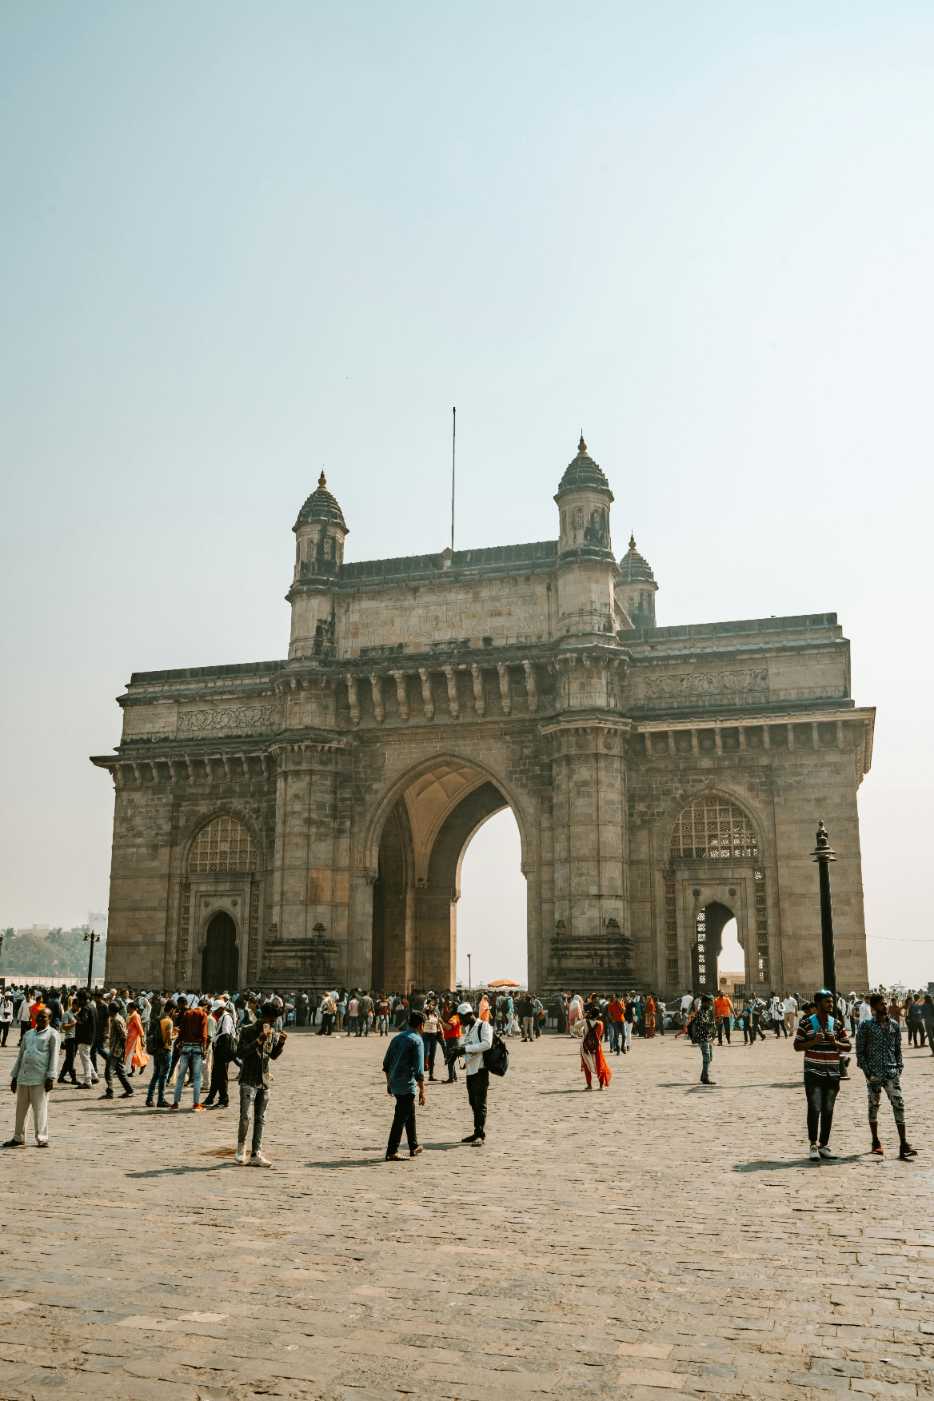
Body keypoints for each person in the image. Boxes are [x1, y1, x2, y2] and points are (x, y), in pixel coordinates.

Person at [855, 993, 917, 1160]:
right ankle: (875, 1141)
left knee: (899, 1104)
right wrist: (867, 1071)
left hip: (891, 1073)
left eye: (885, 1003)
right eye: (882, 1004)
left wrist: (899, 1067)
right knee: (873, 1106)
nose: (885, 1006)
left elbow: (897, 1050)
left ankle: (904, 1143)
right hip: (873, 1074)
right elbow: (860, 1051)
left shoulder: (894, 1026)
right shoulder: (866, 1026)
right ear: (874, 1007)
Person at [794, 988, 850, 1161]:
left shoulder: (837, 1023)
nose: (831, 1004)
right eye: (827, 1002)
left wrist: (836, 1042)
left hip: (832, 1073)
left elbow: (848, 1046)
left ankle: (824, 1145)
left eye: (832, 1002)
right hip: (813, 1071)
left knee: (828, 1109)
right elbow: (797, 1046)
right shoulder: (806, 1023)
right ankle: (812, 1144)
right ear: (818, 1004)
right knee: (814, 1107)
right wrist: (813, 1042)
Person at [235, 1001, 287, 1166]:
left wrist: (280, 1044)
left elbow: (272, 1056)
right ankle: (240, 1149)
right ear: (264, 1017)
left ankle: (256, 1153)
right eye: (271, 1020)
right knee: (245, 1117)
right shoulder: (248, 1030)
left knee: (260, 1118)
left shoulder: (271, 1033)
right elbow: (240, 1053)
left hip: (263, 1080)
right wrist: (258, 1041)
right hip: (248, 1078)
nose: (273, 1024)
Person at [4, 1006, 60, 1148]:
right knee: (21, 1110)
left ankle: (42, 1138)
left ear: (50, 1019)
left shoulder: (53, 1034)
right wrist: (15, 1077)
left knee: (40, 1109)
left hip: (40, 1078)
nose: (40, 1019)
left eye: (44, 1017)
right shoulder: (28, 1034)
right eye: (38, 1016)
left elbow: (54, 1057)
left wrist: (51, 1077)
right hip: (24, 1076)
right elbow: (21, 1056)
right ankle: (18, 1137)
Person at [381, 1009, 426, 1160]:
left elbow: (386, 1064)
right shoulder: (417, 1041)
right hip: (407, 1085)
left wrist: (389, 1082)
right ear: (421, 1025)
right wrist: (422, 1091)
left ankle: (413, 1145)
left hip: (395, 1083)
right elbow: (419, 1070)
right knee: (400, 1117)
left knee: (409, 1112)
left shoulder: (397, 1038)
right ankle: (392, 1151)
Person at [459, 1001, 493, 1145]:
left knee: (480, 1103)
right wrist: (458, 1053)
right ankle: (476, 1131)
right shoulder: (468, 1029)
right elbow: (468, 1046)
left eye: (461, 1018)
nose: (460, 1021)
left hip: (481, 1069)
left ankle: (480, 1134)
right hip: (470, 1070)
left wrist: (465, 1050)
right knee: (473, 1102)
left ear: (467, 1015)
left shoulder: (484, 1026)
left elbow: (487, 1044)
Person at [170, 995, 209, 1111]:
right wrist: (205, 1049)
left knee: (181, 1076)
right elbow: (204, 1035)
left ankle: (175, 1103)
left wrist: (178, 1043)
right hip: (197, 1048)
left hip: (185, 1047)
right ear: (205, 1007)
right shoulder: (203, 1015)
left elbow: (181, 1032)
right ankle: (196, 1104)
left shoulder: (187, 1014)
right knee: (197, 1077)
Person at [145, 998, 175, 1108]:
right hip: (165, 1051)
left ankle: (149, 1099)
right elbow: (168, 1040)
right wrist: (174, 1036)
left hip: (156, 1050)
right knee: (163, 1076)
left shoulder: (157, 1018)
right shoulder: (168, 1021)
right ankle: (161, 1100)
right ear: (172, 1010)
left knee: (155, 1075)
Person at [100, 1004, 134, 1099]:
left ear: (111, 1011)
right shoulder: (119, 1018)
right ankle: (129, 1090)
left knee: (108, 1071)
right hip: (116, 1049)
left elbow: (123, 1035)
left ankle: (110, 1092)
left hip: (116, 1050)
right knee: (120, 1072)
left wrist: (121, 1049)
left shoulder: (116, 1020)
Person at [580, 1007, 612, 1090]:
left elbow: (576, 1027)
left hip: (585, 1046)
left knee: (587, 1065)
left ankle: (589, 1085)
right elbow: (600, 1034)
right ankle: (601, 1085)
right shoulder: (600, 1023)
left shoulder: (585, 1022)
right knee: (599, 1065)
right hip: (597, 1046)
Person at [690, 994, 717, 1084]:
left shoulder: (708, 1010)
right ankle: (705, 1077)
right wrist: (712, 1023)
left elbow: (711, 1023)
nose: (711, 1004)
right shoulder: (701, 1012)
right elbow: (703, 1024)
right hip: (702, 1037)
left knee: (710, 1058)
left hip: (708, 1037)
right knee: (707, 1057)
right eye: (710, 1002)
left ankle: (703, 1076)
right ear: (705, 1002)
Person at [57, 994, 78, 1085]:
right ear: (73, 1005)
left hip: (76, 1038)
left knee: (69, 1059)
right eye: (77, 1006)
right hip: (70, 1038)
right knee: (70, 1060)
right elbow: (64, 1027)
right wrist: (73, 1024)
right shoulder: (67, 1014)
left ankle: (61, 1077)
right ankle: (73, 1078)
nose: (78, 1008)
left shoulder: (77, 1014)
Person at [440, 1002, 463, 1082]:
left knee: (450, 1060)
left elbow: (449, 1027)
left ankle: (451, 1078)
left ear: (453, 1009)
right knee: (452, 1059)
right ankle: (454, 1077)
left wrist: (441, 1022)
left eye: (450, 1007)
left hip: (452, 1040)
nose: (448, 1009)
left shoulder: (454, 1018)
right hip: (454, 1039)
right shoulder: (457, 1017)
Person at [124, 1002, 148, 1077]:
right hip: (129, 1037)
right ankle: (133, 1069)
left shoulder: (135, 1016)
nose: (127, 1008)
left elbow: (139, 1027)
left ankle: (133, 1069)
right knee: (130, 1054)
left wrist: (142, 1038)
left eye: (128, 1007)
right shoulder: (130, 1015)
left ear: (132, 1008)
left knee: (130, 1054)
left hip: (134, 1039)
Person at [421, 1001, 442, 1081]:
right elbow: (421, 1022)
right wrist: (425, 1009)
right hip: (426, 1035)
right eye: (430, 1005)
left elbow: (438, 1024)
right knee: (426, 1052)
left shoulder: (436, 1014)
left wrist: (440, 1031)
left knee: (432, 1056)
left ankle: (431, 1075)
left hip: (434, 1035)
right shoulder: (424, 1015)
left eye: (433, 1005)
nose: (431, 1006)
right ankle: (421, 1073)